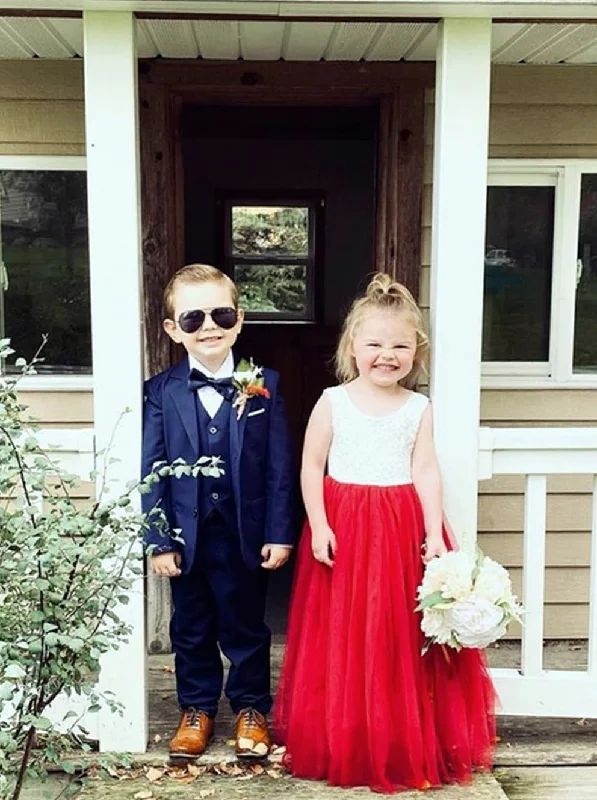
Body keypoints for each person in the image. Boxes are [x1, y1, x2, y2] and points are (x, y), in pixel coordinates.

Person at [274, 273, 495, 792]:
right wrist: (320, 525)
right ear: (353, 347)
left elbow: (425, 470)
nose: (386, 355)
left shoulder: (419, 408)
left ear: (415, 352)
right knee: (346, 632)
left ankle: (398, 737)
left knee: (396, 632)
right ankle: (345, 737)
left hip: (399, 526)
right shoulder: (332, 401)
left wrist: (435, 533)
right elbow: (310, 467)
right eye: (374, 344)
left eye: (399, 345)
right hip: (345, 524)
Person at [142, 264, 295, 762]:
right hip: (187, 536)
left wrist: (280, 531)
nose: (208, 326)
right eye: (192, 318)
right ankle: (197, 709)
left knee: (246, 622)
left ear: (239, 319)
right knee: (191, 625)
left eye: (221, 313)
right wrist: (158, 539)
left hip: (244, 531)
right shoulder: (160, 391)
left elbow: (278, 467)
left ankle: (251, 707)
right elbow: (152, 469)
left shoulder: (262, 384)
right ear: (172, 329)